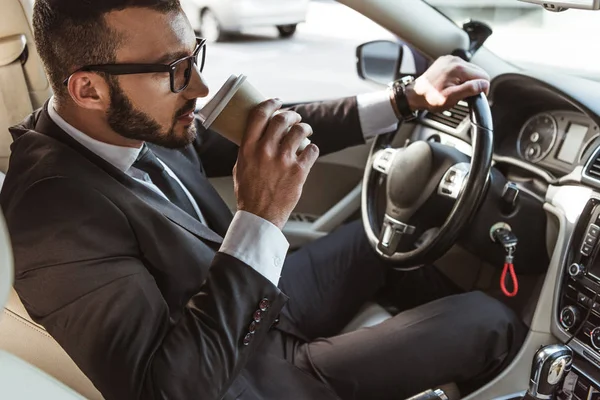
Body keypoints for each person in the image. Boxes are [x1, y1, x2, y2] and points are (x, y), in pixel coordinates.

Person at [0, 1, 526, 399]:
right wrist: (261, 216)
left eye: (194, 56)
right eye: (174, 70)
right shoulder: (54, 214)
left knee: (385, 241)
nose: (200, 88)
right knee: (487, 318)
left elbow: (263, 133)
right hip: (248, 372)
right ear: (88, 89)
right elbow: (170, 389)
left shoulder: (132, 123)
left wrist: (403, 99)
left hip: (261, 303)